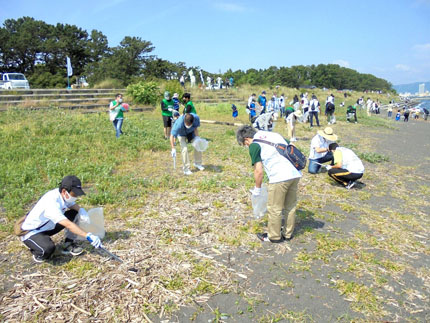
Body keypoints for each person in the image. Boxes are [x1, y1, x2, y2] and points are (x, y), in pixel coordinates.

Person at [236, 125, 302, 242]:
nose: (246, 146)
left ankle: (274, 236)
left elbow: (258, 171)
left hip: (279, 177)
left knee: (274, 208)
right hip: (295, 173)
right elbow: (292, 147)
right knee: (290, 206)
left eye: (244, 144)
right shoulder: (273, 135)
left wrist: (257, 189)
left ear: (246, 139)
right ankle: (288, 234)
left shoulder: (254, 145)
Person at [18, 175, 102, 263]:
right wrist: (88, 235)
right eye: (74, 194)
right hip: (32, 232)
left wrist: (81, 210)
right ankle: (36, 249)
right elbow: (68, 224)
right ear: (64, 191)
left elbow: (72, 204)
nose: (76, 196)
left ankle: (68, 243)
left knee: (75, 213)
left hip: (47, 226)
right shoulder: (52, 203)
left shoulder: (62, 196)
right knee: (48, 249)